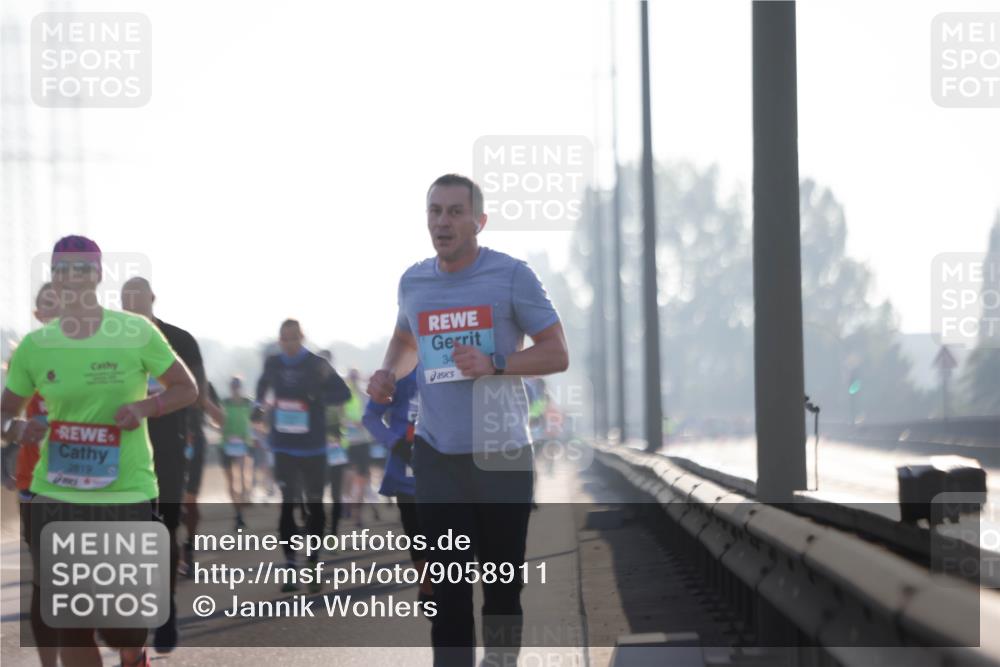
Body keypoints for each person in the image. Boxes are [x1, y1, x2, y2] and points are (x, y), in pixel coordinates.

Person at [367, 174, 569, 666]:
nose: (443, 221)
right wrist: (387, 374)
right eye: (435, 211)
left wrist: (498, 363)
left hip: (501, 458)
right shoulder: (413, 281)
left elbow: (557, 353)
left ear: (479, 221)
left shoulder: (512, 276)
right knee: (447, 596)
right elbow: (406, 340)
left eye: (456, 212)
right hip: (438, 459)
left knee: (501, 593)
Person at [1, 235, 198, 667]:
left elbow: (187, 388)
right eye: (63, 270)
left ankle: (133, 653)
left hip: (124, 491)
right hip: (57, 494)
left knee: (122, 625)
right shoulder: (36, 346)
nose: (72, 278)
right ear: (53, 278)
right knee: (73, 623)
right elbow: (4, 415)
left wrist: (145, 407)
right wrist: (18, 429)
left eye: (81, 269)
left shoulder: (135, 331)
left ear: (97, 275)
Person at [121, 276, 207, 653]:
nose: (132, 302)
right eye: (125, 297)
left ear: (152, 298)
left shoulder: (180, 339)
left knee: (164, 530)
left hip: (168, 448)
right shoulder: (111, 341)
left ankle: (166, 606)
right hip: (122, 449)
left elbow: (194, 391)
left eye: (138, 295)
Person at [255, 319, 350, 592]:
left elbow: (341, 392)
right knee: (287, 503)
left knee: (315, 506)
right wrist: (259, 407)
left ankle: (313, 561)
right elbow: (262, 390)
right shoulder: (273, 363)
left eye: (294, 338)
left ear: (302, 337)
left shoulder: (317, 364)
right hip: (283, 444)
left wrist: (317, 397)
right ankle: (290, 566)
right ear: (279, 340)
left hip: (313, 446)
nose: (289, 344)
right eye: (284, 339)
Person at [362, 367, 432, 603]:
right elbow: (370, 417)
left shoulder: (455, 364)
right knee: (418, 540)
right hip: (407, 476)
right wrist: (396, 443)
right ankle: (427, 590)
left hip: (450, 474)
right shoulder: (401, 373)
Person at [179, 380, 224, 577]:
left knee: (189, 504)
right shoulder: (154, 376)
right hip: (163, 444)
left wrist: (203, 399)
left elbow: (220, 419)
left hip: (194, 446)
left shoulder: (203, 381)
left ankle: (188, 547)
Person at [318, 350, 347, 539]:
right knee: (316, 491)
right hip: (317, 446)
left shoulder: (337, 383)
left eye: (327, 363)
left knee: (336, 492)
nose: (324, 367)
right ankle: (318, 525)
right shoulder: (310, 383)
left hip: (335, 444)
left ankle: (333, 532)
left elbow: (346, 399)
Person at [220, 376, 253, 529]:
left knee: (241, 475)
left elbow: (254, 421)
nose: (235, 389)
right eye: (233, 387)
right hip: (226, 445)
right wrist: (226, 434)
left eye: (237, 387)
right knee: (231, 480)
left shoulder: (248, 403)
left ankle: (244, 502)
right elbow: (217, 422)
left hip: (242, 444)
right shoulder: (224, 403)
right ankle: (237, 513)